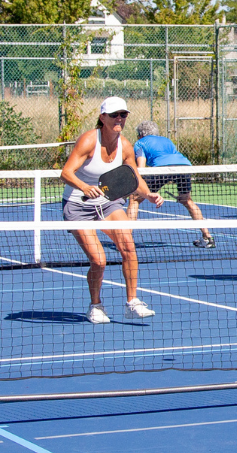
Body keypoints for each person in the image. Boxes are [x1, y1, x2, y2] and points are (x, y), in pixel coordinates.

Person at [60, 96, 165, 323]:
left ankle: (132, 303)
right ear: (102, 118)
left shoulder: (125, 145)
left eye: (123, 115)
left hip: (107, 202)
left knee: (128, 244)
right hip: (78, 206)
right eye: (114, 115)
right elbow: (66, 173)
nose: (119, 119)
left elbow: (134, 177)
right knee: (99, 260)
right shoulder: (89, 141)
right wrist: (84, 187)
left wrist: (149, 194)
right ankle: (95, 306)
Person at [127, 120, 214, 248]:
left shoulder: (140, 143)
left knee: (134, 199)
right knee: (187, 200)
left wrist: (140, 189)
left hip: (162, 168)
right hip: (184, 166)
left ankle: (126, 240)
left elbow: (141, 168)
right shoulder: (166, 140)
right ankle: (208, 238)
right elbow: (173, 160)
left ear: (140, 134)